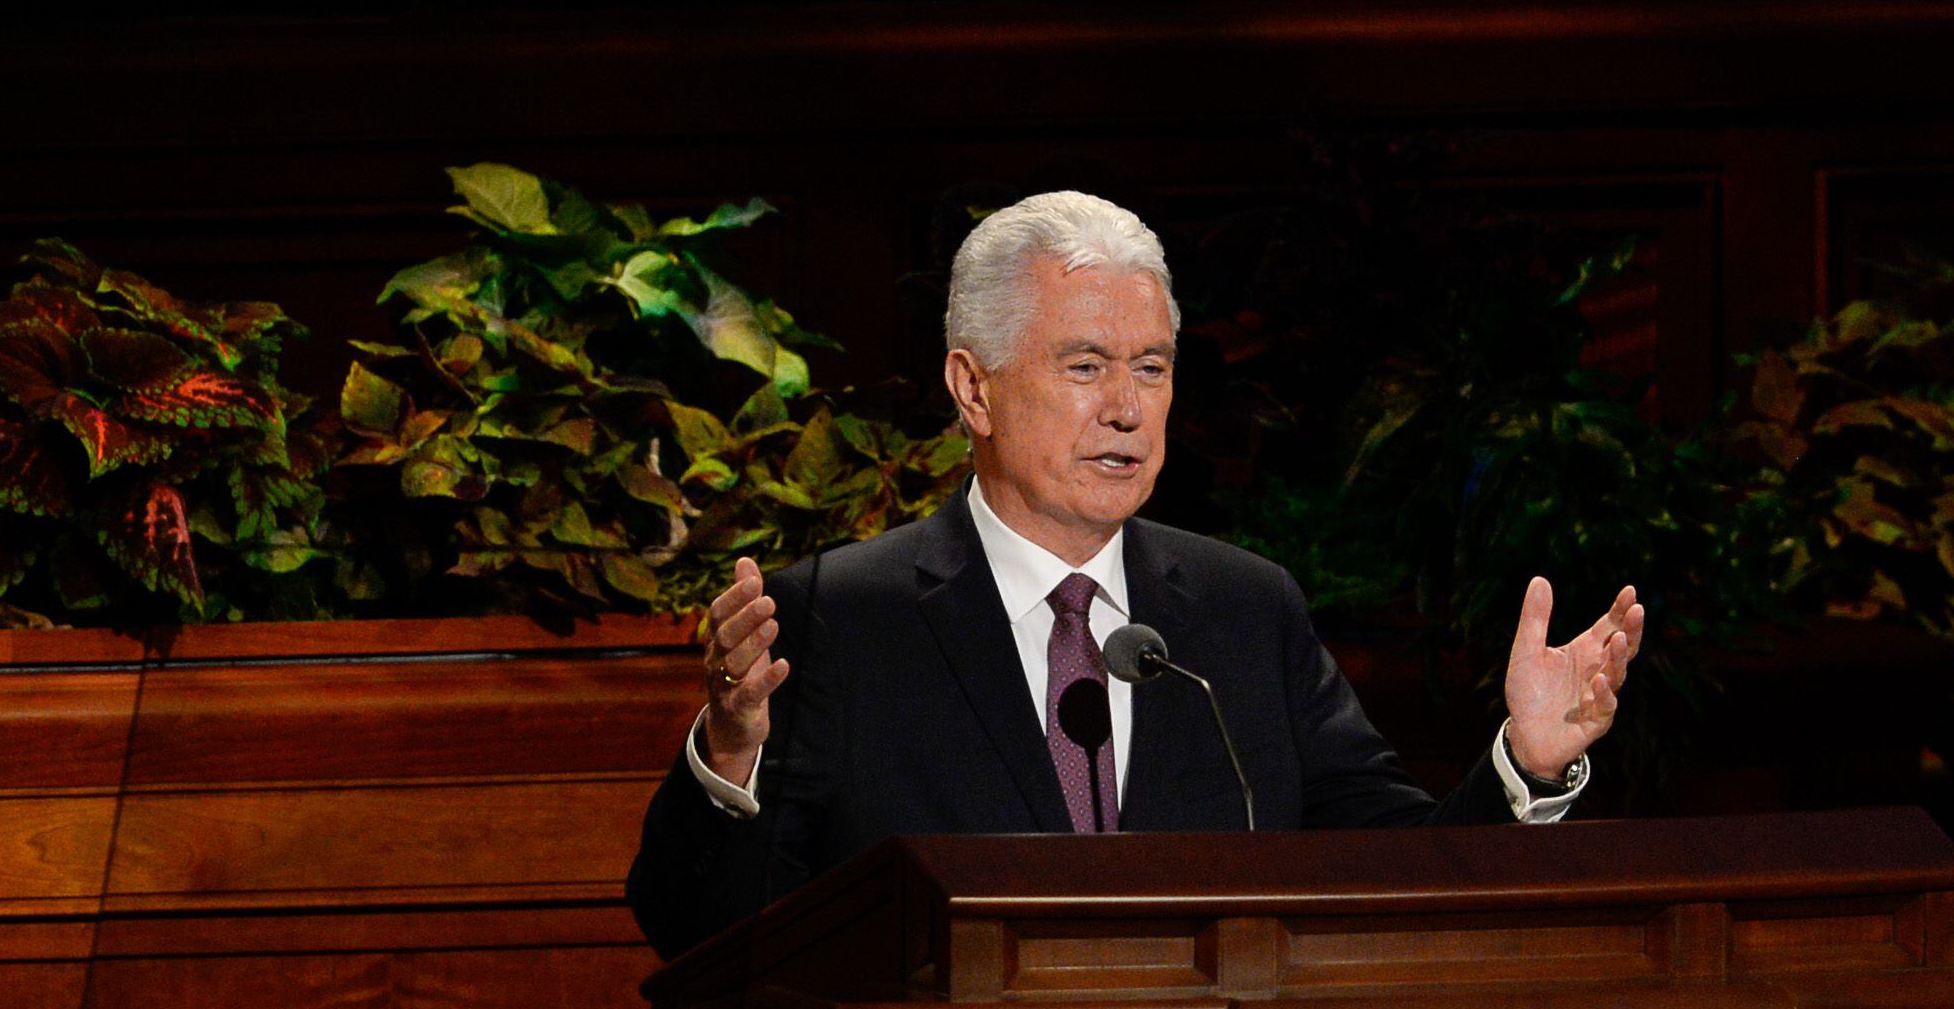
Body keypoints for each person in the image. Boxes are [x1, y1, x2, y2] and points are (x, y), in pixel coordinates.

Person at [623, 190, 1645, 960]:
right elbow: (702, 935)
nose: (1126, 408)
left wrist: (1525, 763)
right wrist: (728, 752)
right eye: (1083, 366)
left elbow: (1394, 881)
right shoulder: (844, 617)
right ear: (972, 389)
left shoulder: (1244, 610)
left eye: (1149, 367)